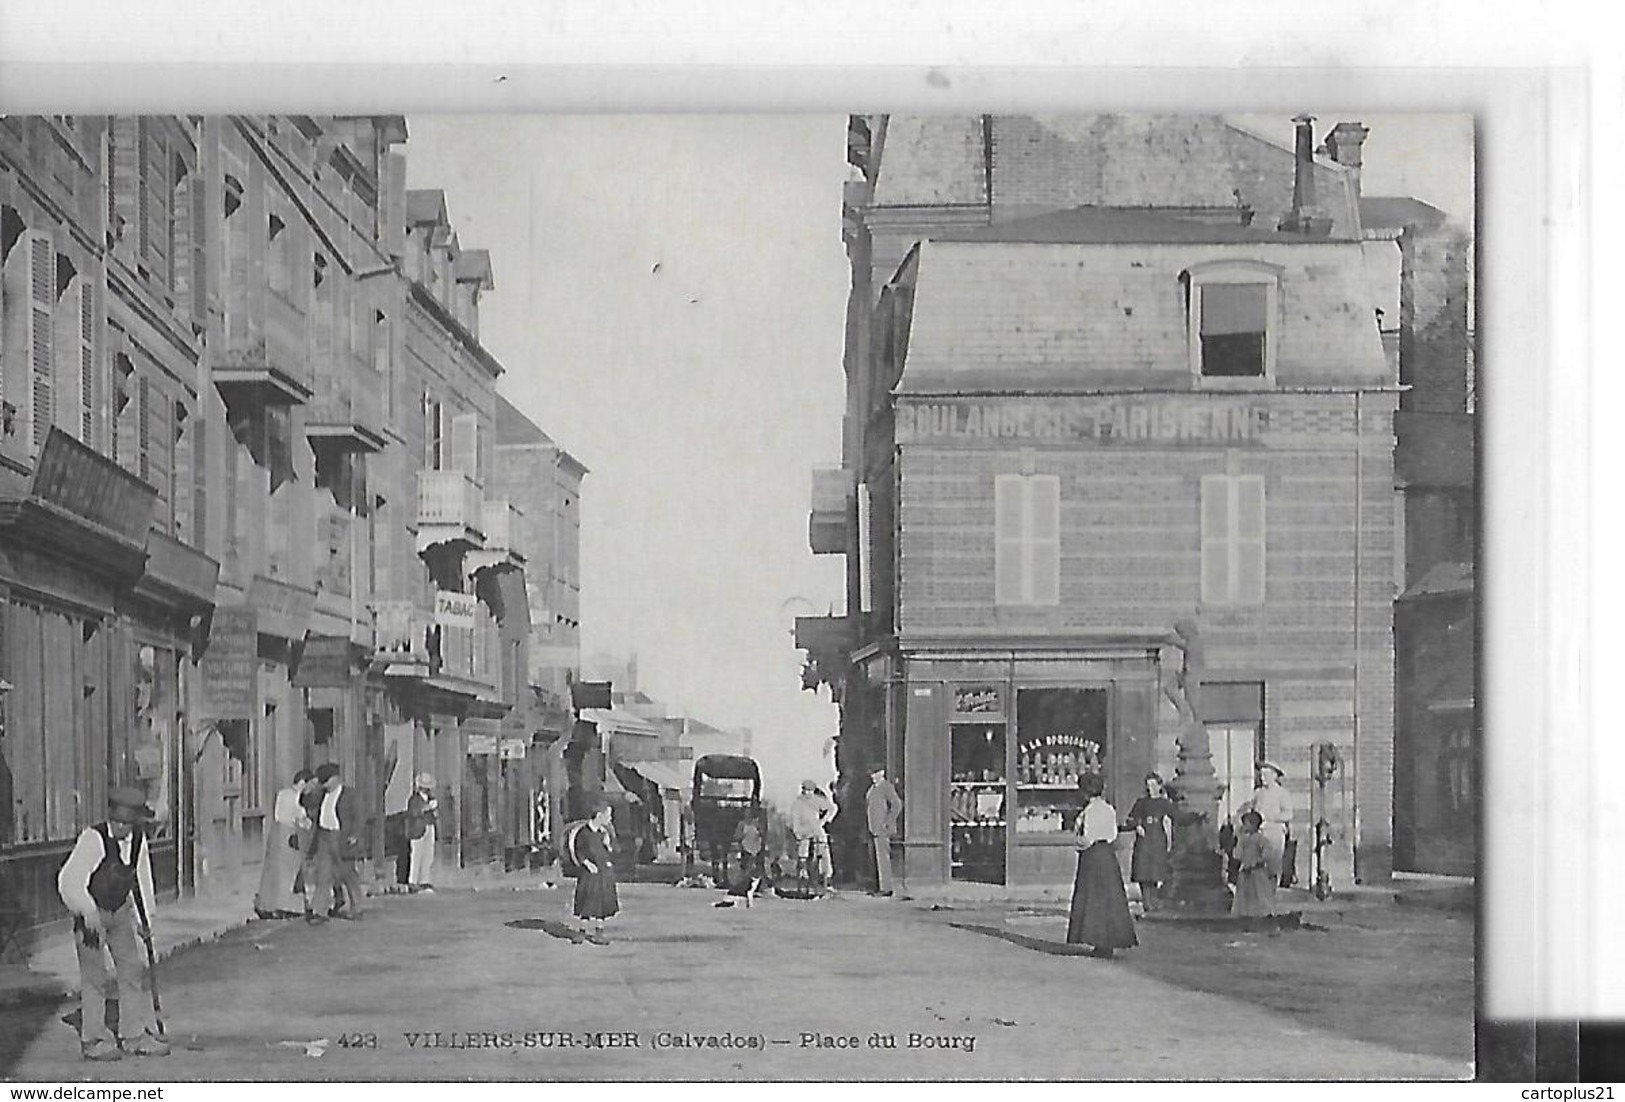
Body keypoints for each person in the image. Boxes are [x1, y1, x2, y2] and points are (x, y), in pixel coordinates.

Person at [56, 786, 170, 1060]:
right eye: (117, 821)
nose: (120, 827)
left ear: (135, 822)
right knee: (95, 976)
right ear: (110, 816)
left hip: (119, 912)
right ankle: (93, 1039)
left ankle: (133, 1035)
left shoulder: (139, 839)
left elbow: (141, 879)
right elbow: (68, 880)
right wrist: (87, 910)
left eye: (127, 823)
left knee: (131, 969)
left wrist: (146, 920)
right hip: (91, 913)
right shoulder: (93, 839)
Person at [1065, 773, 1137, 958]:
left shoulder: (1089, 811)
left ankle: (1097, 939)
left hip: (1092, 856)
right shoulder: (1108, 809)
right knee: (1109, 898)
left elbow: (1087, 839)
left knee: (1092, 897)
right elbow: (1112, 834)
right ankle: (1108, 941)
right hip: (1107, 855)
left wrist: (1077, 841)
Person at [310, 763, 364, 923]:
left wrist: (355, 834)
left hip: (341, 836)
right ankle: (320, 911)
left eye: (326, 781)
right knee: (323, 875)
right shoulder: (320, 794)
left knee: (347, 873)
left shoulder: (350, 795)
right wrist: (311, 788)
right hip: (323, 836)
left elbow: (360, 815)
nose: (324, 784)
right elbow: (306, 803)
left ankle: (357, 908)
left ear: (336, 779)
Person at [256, 769, 313, 919]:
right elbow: (300, 818)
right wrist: (308, 823)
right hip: (289, 834)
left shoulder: (282, 793)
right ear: (302, 783)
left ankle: (265, 904)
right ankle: (284, 906)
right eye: (308, 785)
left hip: (276, 832)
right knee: (288, 872)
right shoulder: (296, 797)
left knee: (272, 871)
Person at [567, 802, 619, 944]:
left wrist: (608, 845)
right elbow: (578, 851)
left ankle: (599, 932)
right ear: (599, 815)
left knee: (602, 902)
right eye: (608, 815)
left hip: (603, 872)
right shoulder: (583, 833)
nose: (610, 819)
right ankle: (581, 932)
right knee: (586, 901)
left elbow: (613, 851)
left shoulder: (604, 833)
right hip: (589, 873)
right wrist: (587, 863)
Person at [1125, 772, 1176, 912]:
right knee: (1143, 871)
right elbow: (1130, 819)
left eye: (1153, 785)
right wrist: (1137, 825)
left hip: (1157, 838)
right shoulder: (1141, 803)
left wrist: (1195, 817)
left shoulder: (1164, 803)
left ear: (1159, 786)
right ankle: (1147, 902)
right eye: (1148, 786)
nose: (1150, 789)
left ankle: (1153, 901)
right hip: (1144, 839)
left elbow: (1177, 816)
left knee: (1155, 872)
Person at [1243, 761, 1293, 885]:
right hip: (1260, 832)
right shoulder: (1258, 793)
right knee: (1257, 861)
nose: (1262, 778)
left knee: (1273, 862)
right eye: (1261, 775)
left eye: (1266, 775)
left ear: (1274, 776)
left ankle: (1273, 886)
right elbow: (1251, 809)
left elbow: (1288, 814)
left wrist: (1271, 817)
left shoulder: (1282, 793)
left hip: (1274, 832)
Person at [1231, 809, 1278, 929]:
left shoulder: (1261, 839)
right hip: (1245, 871)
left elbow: (1267, 854)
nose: (1244, 826)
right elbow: (1237, 854)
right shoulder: (1243, 839)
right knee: (1245, 894)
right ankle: (1246, 916)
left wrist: (1258, 862)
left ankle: (1265, 916)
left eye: (1246, 823)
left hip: (1257, 871)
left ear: (1253, 825)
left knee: (1260, 893)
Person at [788, 780, 835, 892]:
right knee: (803, 856)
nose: (808, 793)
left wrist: (823, 821)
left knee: (824, 855)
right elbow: (795, 820)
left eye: (811, 791)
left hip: (817, 831)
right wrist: (797, 833)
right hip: (803, 832)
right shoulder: (798, 803)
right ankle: (804, 882)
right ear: (802, 790)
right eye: (806, 790)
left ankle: (826, 881)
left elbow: (832, 808)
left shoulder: (817, 801)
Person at [864, 765, 903, 897]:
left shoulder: (886, 787)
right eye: (871, 774)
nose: (872, 776)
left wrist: (887, 822)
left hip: (882, 829)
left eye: (875, 773)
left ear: (882, 773)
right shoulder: (873, 788)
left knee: (883, 858)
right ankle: (878, 886)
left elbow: (897, 805)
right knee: (875, 859)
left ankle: (886, 888)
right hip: (873, 828)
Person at [405, 773, 439, 893]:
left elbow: (434, 815)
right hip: (417, 830)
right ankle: (413, 881)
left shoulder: (430, 799)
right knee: (416, 856)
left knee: (428, 855)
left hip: (429, 828)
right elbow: (414, 812)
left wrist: (434, 812)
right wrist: (428, 808)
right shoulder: (414, 799)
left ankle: (425, 880)